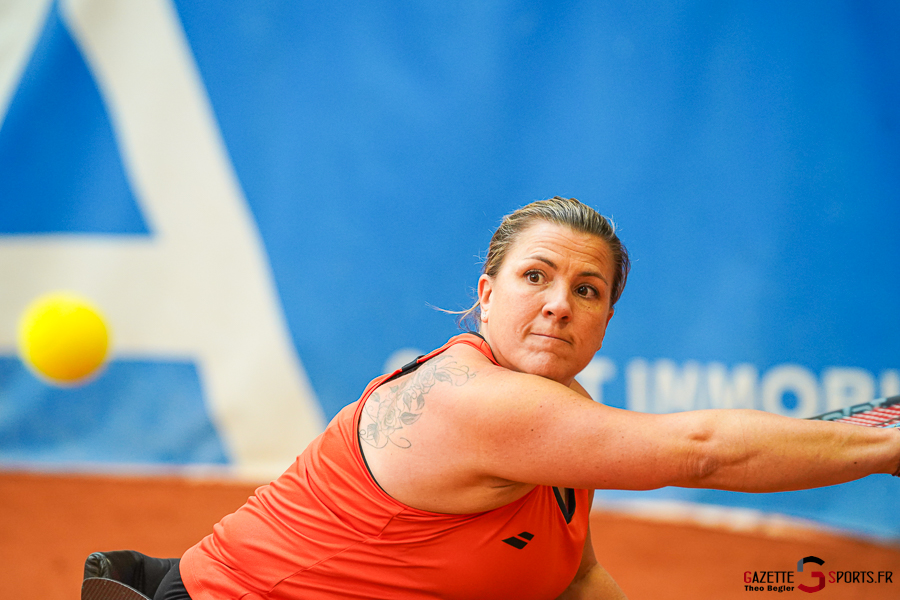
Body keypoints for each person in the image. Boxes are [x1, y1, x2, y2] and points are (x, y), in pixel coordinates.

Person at [93, 196, 900, 600]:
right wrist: (882, 446)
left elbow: (574, 581)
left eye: (588, 290)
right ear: (486, 295)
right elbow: (702, 452)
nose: (559, 305)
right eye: (535, 277)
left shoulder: (564, 412)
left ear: (605, 321)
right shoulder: (471, 399)